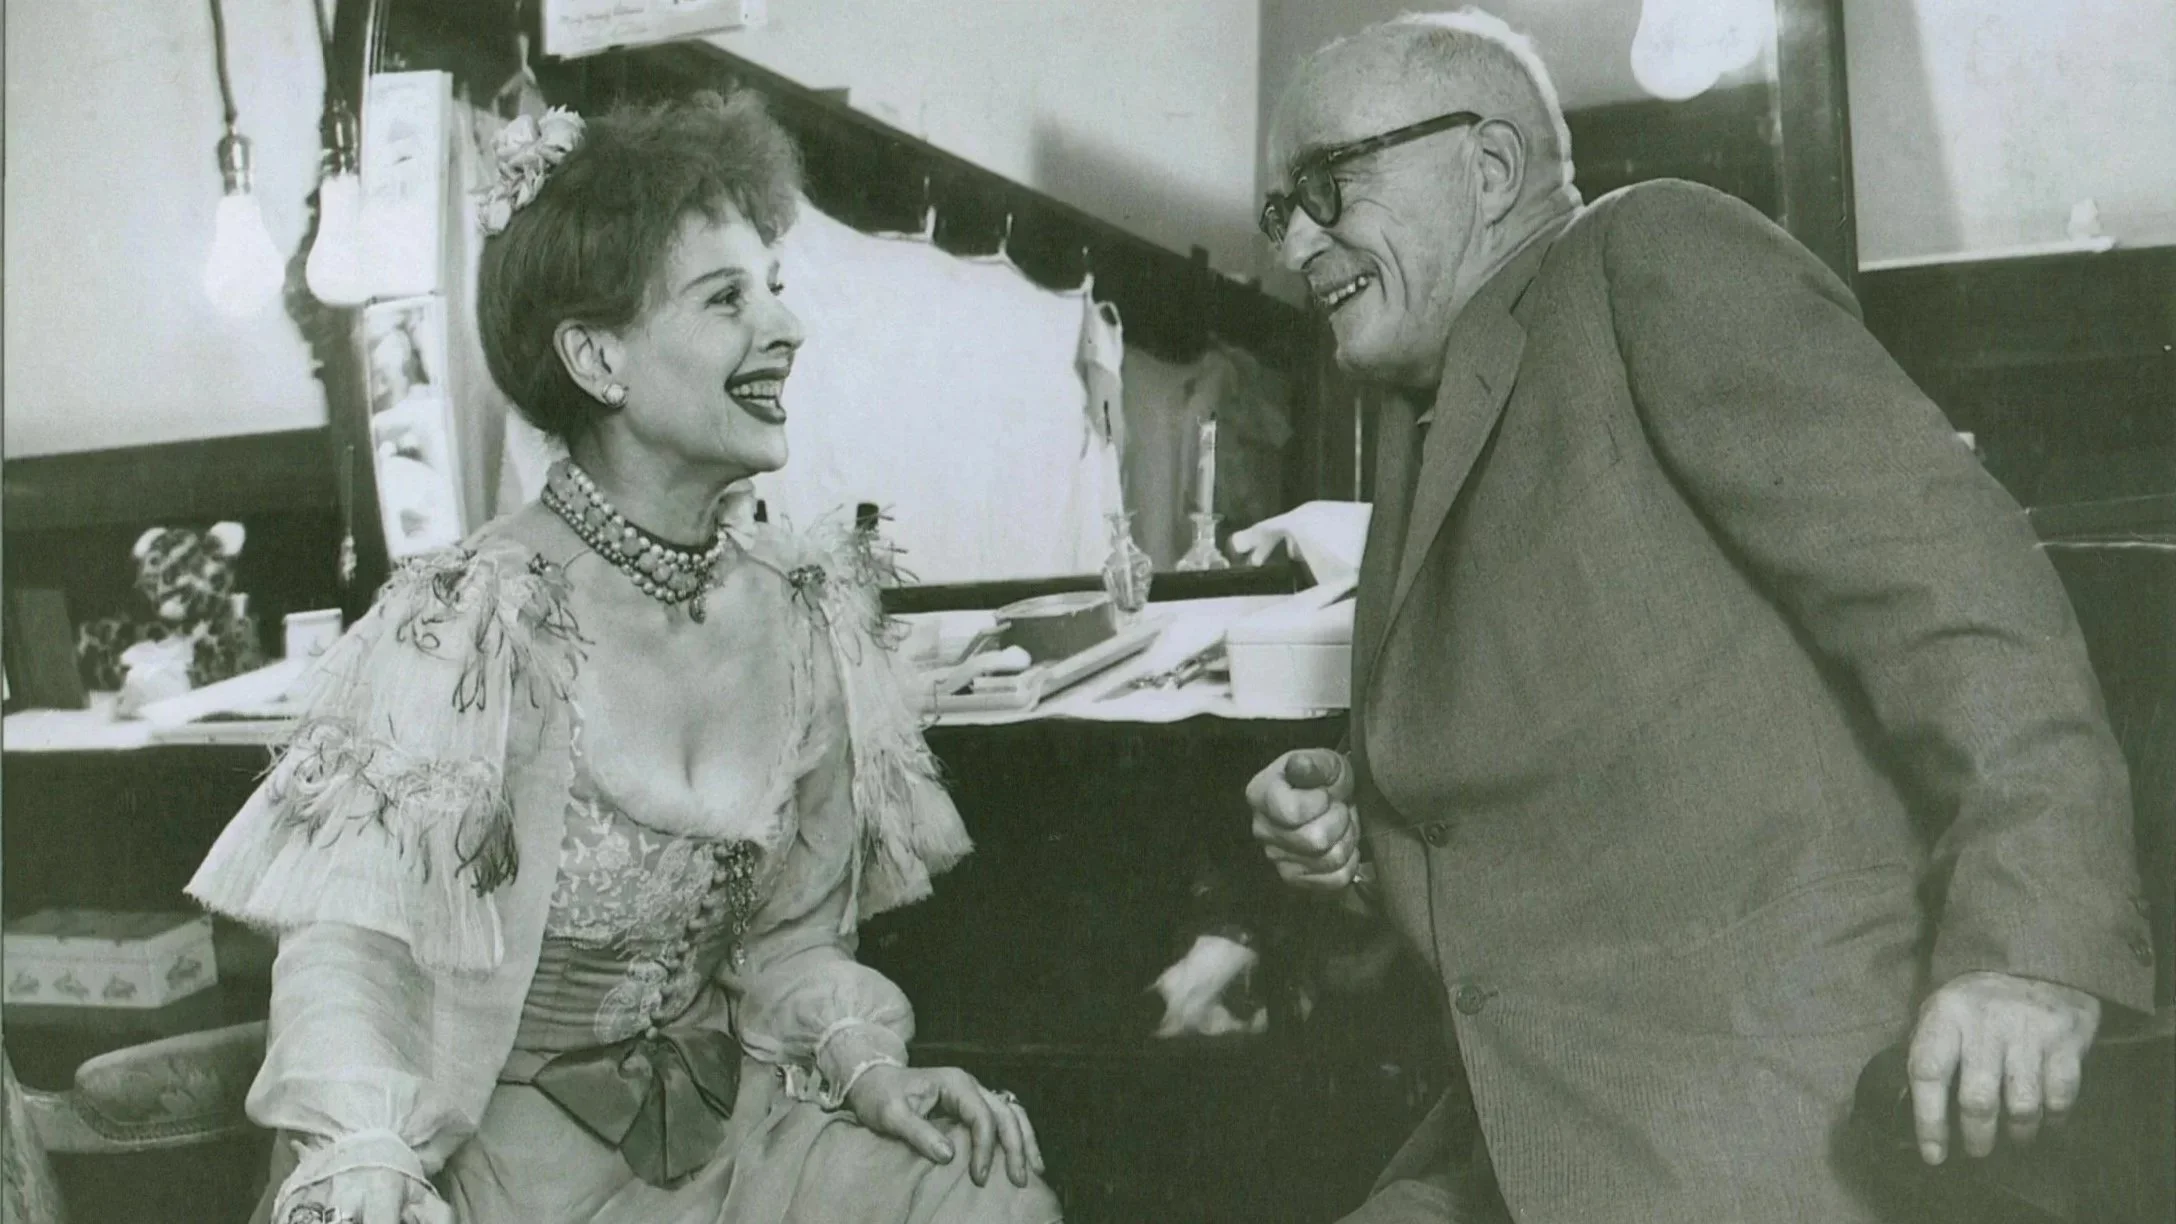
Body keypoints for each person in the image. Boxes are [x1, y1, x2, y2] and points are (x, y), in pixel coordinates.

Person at [1244, 11, 2155, 1222]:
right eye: (1277, 212)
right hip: (1532, 1127)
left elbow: (1962, 599)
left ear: (1492, 167)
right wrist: (1352, 840)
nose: (1296, 240)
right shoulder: (1424, 423)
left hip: (1770, 1119)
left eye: (1324, 185)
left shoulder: (1649, 254)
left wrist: (2028, 958)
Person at [188, 92, 1061, 1224]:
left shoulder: (802, 616)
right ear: (598, 358)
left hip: (736, 1138)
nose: (785, 331)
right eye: (725, 299)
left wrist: (868, 1065)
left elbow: (793, 943)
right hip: (509, 1173)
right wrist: (365, 1154)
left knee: (983, 1193)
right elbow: (353, 956)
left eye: (775, 291)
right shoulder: (470, 623)